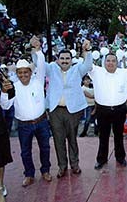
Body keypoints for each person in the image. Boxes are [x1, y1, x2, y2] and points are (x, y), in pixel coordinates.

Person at [0, 37, 52, 187]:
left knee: (45, 148)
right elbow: (5, 106)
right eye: (20, 73)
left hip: (42, 121)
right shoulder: (13, 86)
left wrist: (37, 48)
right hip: (23, 125)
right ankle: (29, 174)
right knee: (25, 152)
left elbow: (41, 62)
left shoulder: (38, 81)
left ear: (31, 72)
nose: (23, 75)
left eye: (26, 72)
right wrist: (4, 92)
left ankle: (45, 170)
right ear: (17, 73)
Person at [44, 40, 93, 178]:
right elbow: (39, 64)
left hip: (73, 110)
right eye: (62, 59)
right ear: (57, 60)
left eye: (67, 59)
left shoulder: (77, 69)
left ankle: (75, 164)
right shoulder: (51, 68)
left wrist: (88, 51)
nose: (65, 61)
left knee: (72, 138)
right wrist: (36, 50)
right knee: (58, 140)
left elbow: (88, 65)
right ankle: (62, 166)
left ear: (72, 60)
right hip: (55, 110)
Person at [89, 53, 127, 170]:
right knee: (103, 136)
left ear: (117, 62)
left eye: (113, 61)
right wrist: (86, 51)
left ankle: (120, 158)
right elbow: (87, 64)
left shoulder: (124, 73)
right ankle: (101, 159)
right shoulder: (96, 72)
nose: (110, 63)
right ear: (104, 62)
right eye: (108, 61)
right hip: (102, 110)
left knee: (118, 135)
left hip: (119, 109)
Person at [0, 75, 14, 200]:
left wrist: (4, 91)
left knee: (0, 160)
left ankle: (0, 185)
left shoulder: (1, 80)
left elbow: (5, 105)